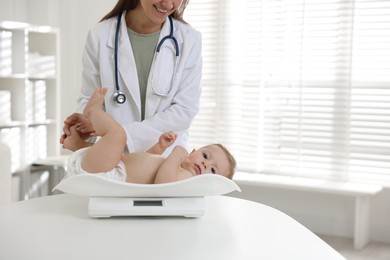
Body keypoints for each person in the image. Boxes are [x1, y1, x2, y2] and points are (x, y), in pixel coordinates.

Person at [60, 0, 202, 155]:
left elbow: (184, 110)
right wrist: (82, 127)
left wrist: (120, 135)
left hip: (166, 161)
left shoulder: (189, 40)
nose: (168, 4)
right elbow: (91, 98)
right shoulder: (100, 35)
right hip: (114, 162)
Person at [62, 88, 236, 184]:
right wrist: (159, 148)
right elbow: (145, 161)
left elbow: (164, 184)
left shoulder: (187, 180)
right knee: (118, 152)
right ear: (193, 151)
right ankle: (78, 144)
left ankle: (93, 112)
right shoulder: (177, 168)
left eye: (212, 170)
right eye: (206, 156)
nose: (206, 164)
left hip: (110, 176)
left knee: (118, 135)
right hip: (113, 169)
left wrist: (176, 153)